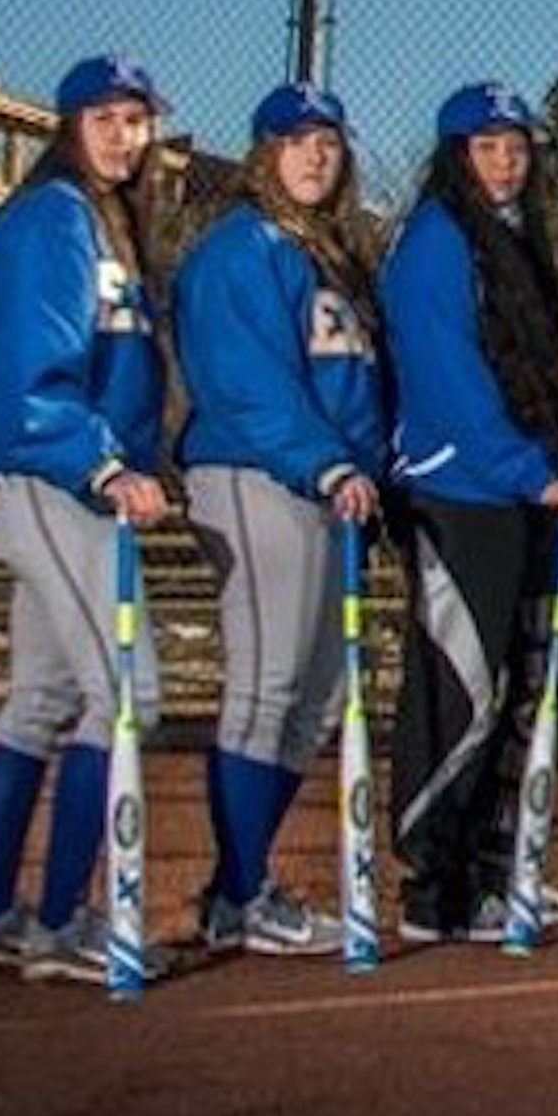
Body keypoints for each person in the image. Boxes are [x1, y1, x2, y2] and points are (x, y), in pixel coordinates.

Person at [0, 54, 180, 985]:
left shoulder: (103, 221)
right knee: (130, 695)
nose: (124, 135)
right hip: (51, 475)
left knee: (43, 697)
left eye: (137, 119)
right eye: (105, 118)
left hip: (70, 479)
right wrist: (100, 462)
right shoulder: (53, 217)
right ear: (70, 126)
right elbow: (30, 368)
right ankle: (62, 922)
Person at [378, 80, 558, 942]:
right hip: (460, 488)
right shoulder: (437, 239)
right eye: (487, 147)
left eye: (516, 146)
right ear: (455, 156)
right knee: (463, 685)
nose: (506, 162)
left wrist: (551, 466)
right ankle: (435, 884)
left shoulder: (515, 239)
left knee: (554, 672)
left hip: (528, 483)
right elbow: (448, 376)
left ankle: (501, 862)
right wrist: (523, 471)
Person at [171, 82, 389, 957]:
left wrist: (362, 470)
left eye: (328, 142)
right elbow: (245, 382)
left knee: (319, 694)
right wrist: (323, 461)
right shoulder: (240, 247)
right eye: (296, 142)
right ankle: (240, 892)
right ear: (264, 154)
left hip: (330, 487)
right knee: (267, 686)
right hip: (256, 472)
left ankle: (238, 887)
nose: (315, 156)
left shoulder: (330, 254)